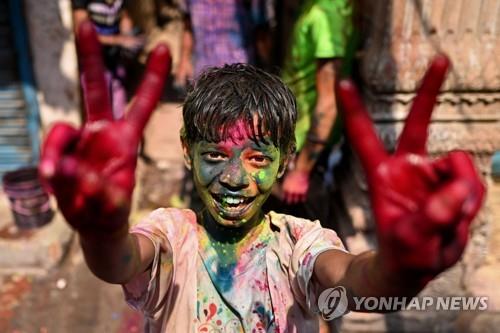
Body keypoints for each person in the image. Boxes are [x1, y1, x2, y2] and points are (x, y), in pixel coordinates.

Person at [39, 22, 485, 332]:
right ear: (186, 151)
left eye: (256, 158)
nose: (234, 178)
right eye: (214, 154)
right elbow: (118, 261)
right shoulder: (171, 235)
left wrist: (401, 269)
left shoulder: (299, 242)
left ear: (286, 159)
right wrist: (100, 232)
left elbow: (355, 281)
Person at [271, 0, 353, 224]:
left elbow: (329, 102)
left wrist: (302, 170)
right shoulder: (314, 9)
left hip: (305, 151)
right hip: (296, 142)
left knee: (300, 242)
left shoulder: (325, 16)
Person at [174, 0, 275, 88]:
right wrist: (184, 61)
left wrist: (266, 73)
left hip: (241, 78)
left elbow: (261, 32)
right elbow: (188, 26)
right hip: (203, 76)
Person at [72, 0, 145, 118]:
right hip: (92, 64)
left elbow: (125, 18)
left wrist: (130, 37)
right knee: (96, 105)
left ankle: (119, 130)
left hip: (115, 59)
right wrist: (118, 40)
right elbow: (82, 33)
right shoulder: (82, 2)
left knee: (118, 95)